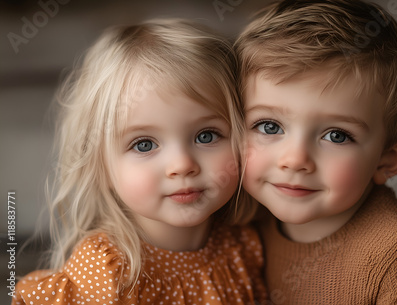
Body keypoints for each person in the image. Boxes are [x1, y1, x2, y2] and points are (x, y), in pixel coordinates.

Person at [234, 0, 397, 303]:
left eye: (336, 135)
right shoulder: (241, 219)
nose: (295, 160)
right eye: (269, 127)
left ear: (389, 160)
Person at [13, 19, 267, 305]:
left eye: (206, 136)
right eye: (144, 144)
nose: (182, 165)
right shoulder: (105, 271)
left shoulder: (244, 245)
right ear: (101, 168)